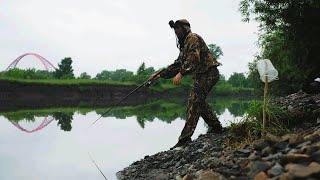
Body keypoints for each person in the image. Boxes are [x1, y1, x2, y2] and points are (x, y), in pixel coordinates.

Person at [149, 19, 223, 149]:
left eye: (178, 28)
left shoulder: (192, 38)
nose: (176, 31)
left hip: (209, 73)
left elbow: (194, 58)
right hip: (201, 75)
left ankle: (185, 139)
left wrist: (181, 73)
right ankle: (217, 128)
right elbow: (178, 64)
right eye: (174, 29)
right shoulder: (184, 45)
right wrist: (159, 74)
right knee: (199, 102)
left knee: (194, 99)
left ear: (185, 28)